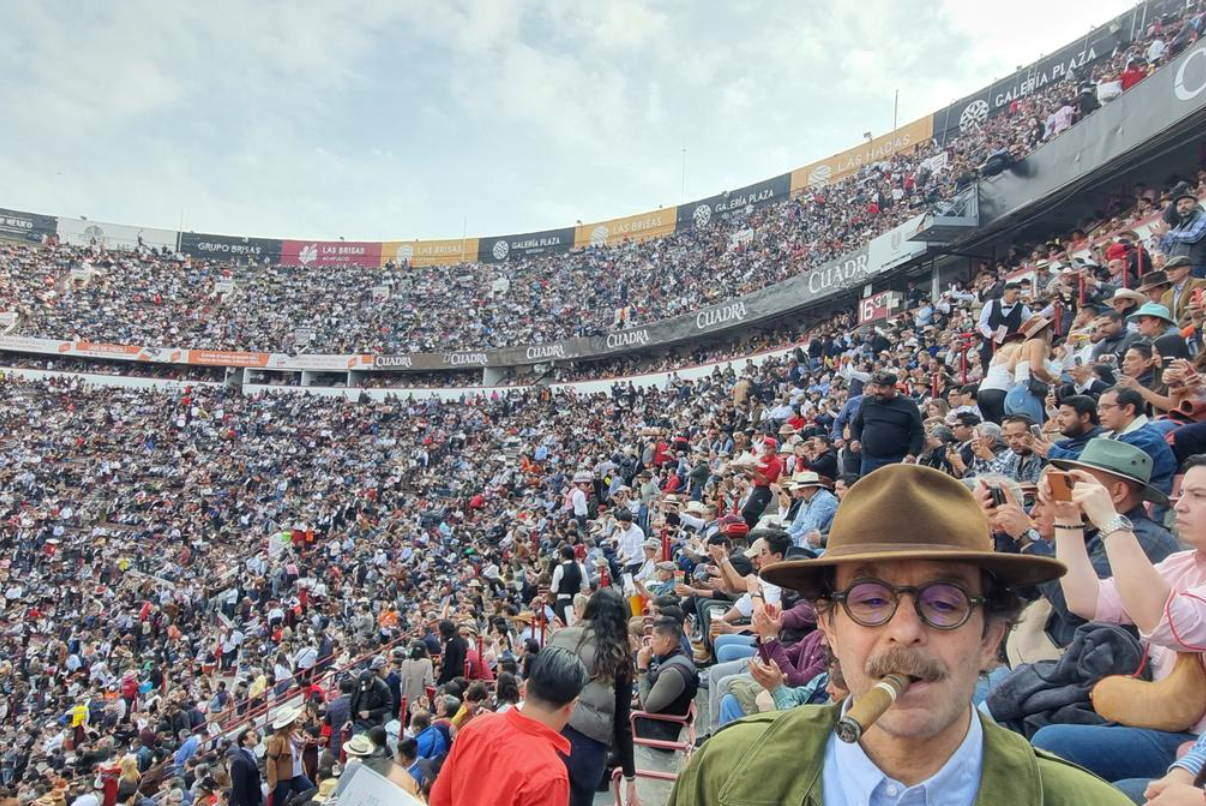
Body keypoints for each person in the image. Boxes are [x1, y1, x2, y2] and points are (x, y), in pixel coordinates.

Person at [668, 464, 1131, 805]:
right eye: (871, 601)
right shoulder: (725, 773)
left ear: (991, 637)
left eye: (944, 602)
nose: (905, 631)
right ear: (828, 625)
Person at [1031, 454, 1206, 787]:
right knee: (1045, 738)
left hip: (1193, 743)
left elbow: (1167, 623)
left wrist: (1110, 521)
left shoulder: (1147, 537)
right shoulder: (1182, 563)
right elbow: (1087, 601)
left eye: (1198, 496)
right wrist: (1068, 520)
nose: (1180, 506)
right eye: (1182, 494)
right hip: (1161, 718)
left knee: (1055, 746)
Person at [429, 644, 587, 806]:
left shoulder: (477, 726)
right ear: (572, 704)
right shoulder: (550, 775)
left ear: (525, 688)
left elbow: (439, 798)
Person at [547, 587, 637, 806]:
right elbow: (622, 722)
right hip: (589, 747)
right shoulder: (620, 655)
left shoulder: (559, 636)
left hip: (550, 733)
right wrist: (630, 776)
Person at [1095, 386, 1176, 495]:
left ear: (1128, 409)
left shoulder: (1145, 440)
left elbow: (1101, 469)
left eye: (1106, 407)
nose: (1099, 413)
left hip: (1144, 504)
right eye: (1099, 408)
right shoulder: (1116, 434)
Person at [634, 616, 699, 743]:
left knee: (612, 714)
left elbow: (647, 706)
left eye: (654, 637)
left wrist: (641, 667)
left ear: (666, 641)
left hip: (663, 730)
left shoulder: (673, 673)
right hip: (662, 719)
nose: (650, 641)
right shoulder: (676, 654)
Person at [849, 371, 924, 475]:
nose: (877, 391)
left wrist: (912, 453)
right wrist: (854, 440)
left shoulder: (908, 404)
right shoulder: (867, 402)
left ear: (894, 387)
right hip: (870, 459)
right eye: (875, 387)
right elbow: (856, 424)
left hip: (897, 459)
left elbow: (918, 431)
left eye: (882, 388)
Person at [265, 706, 314, 806]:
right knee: (277, 803)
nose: (296, 721)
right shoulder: (277, 740)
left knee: (311, 791)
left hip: (296, 775)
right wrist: (272, 782)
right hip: (282, 778)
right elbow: (270, 761)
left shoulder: (294, 735)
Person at [551, 545, 588, 624]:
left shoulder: (559, 568)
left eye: (560, 555)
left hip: (562, 602)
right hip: (578, 602)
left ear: (564, 556)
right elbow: (586, 586)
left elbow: (554, 589)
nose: (559, 557)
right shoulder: (581, 566)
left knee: (561, 627)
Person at [228, 728, 264, 806]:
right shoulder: (239, 760)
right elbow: (239, 786)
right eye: (253, 736)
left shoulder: (252, 754)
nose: (256, 736)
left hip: (255, 798)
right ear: (244, 741)